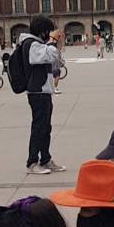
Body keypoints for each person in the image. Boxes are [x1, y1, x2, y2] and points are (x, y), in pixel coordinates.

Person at [17, 14, 67, 176]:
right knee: (39, 127)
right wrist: (53, 41)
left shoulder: (39, 44)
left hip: (44, 90)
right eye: (48, 31)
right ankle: (32, 162)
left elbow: (57, 61)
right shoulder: (30, 44)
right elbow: (48, 55)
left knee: (46, 127)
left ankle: (45, 158)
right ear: (43, 31)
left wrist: (56, 44)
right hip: (36, 91)